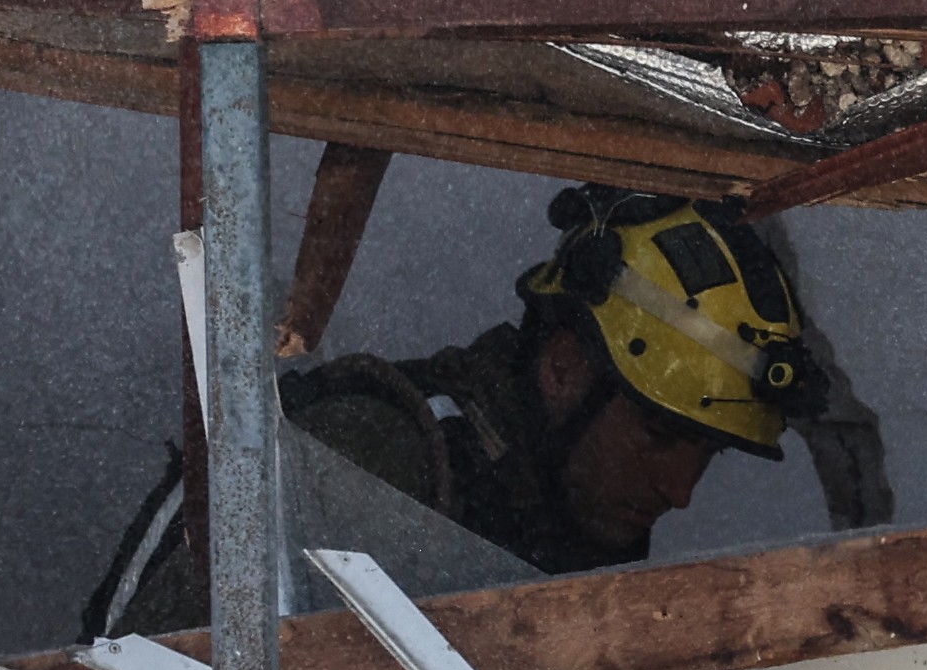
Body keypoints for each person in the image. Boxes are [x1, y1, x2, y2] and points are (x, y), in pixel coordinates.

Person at [284, 187, 830, 573]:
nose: (680, 491)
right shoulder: (371, 464)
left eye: (708, 454)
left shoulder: (567, 528)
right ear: (563, 368)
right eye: (660, 436)